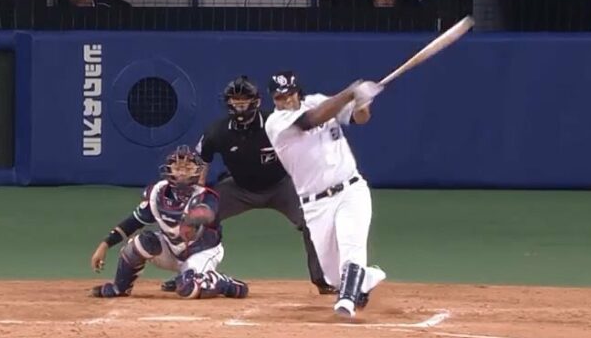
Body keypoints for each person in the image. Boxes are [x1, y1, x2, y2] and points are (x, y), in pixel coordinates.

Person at [194, 75, 334, 295]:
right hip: (239, 188)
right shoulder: (217, 132)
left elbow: (307, 135)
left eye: (244, 100)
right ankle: (192, 273)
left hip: (281, 186)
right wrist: (197, 194)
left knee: (313, 219)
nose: (239, 105)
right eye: (235, 101)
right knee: (197, 217)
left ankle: (323, 279)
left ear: (256, 101)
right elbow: (202, 160)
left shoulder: (275, 124)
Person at [263, 72, 386, 318]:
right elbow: (311, 119)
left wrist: (362, 103)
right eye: (279, 97)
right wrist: (350, 92)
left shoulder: (318, 101)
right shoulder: (275, 123)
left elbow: (361, 118)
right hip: (315, 204)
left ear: (298, 91)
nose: (285, 101)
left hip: (350, 189)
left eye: (289, 95)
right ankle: (366, 276)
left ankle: (347, 301)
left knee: (351, 246)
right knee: (333, 276)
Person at [89, 145, 248, 299]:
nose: (182, 172)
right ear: (169, 169)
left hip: (203, 251)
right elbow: (133, 222)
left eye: (188, 168)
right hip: (172, 250)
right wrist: (105, 245)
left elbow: (207, 214)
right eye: (177, 167)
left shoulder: (206, 196)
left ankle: (223, 283)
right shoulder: (157, 193)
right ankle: (120, 288)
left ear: (197, 171)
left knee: (188, 288)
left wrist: (190, 221)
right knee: (140, 243)